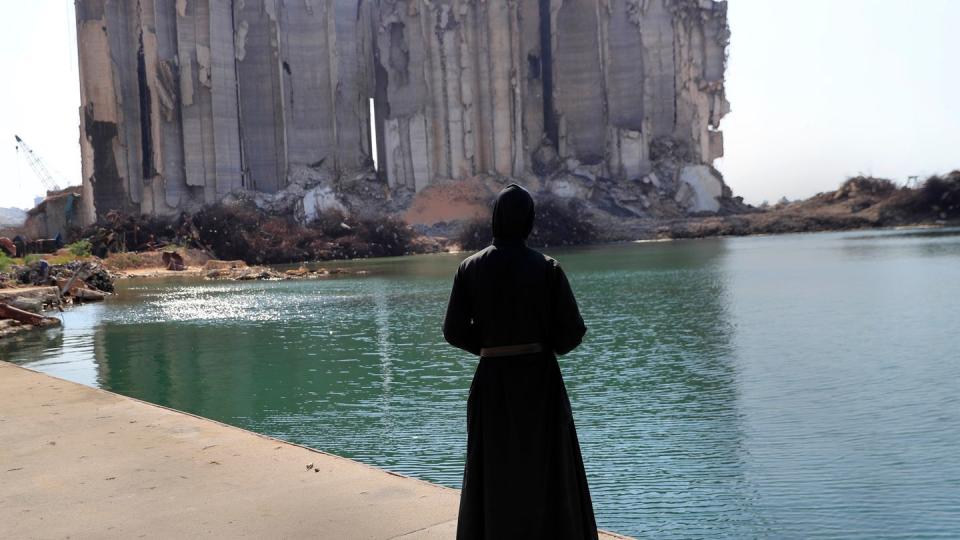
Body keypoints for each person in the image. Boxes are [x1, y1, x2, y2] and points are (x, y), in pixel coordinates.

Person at [443, 184, 598, 539]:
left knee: (493, 466)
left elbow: (452, 331)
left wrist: (488, 346)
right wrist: (544, 344)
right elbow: (572, 332)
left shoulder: (469, 268)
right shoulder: (547, 269)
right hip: (539, 381)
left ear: (495, 218)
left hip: (493, 381)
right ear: (529, 221)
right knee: (547, 466)